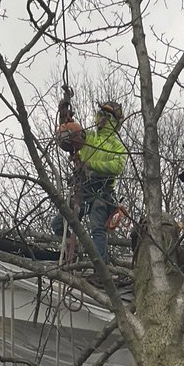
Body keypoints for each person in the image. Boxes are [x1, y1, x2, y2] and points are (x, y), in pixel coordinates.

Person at [52, 100, 127, 263]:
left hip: (101, 191)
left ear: (111, 120)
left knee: (97, 228)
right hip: (82, 189)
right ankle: (74, 245)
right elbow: (68, 136)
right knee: (59, 224)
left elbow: (117, 166)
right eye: (100, 114)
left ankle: (101, 267)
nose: (100, 118)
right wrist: (63, 116)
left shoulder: (117, 146)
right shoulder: (88, 137)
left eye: (104, 115)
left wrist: (90, 165)